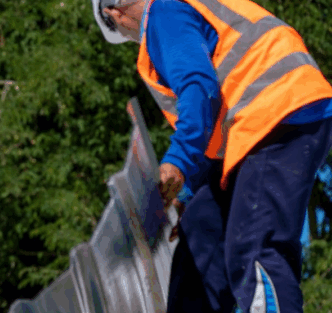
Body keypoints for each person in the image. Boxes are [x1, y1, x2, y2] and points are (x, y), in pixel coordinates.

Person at [91, 0, 332, 312]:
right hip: (258, 123)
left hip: (274, 112)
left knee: (254, 245)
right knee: (200, 234)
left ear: (114, 13)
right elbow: (214, 130)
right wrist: (184, 194)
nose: (136, 41)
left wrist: (176, 161)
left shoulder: (163, 12)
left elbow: (199, 87)